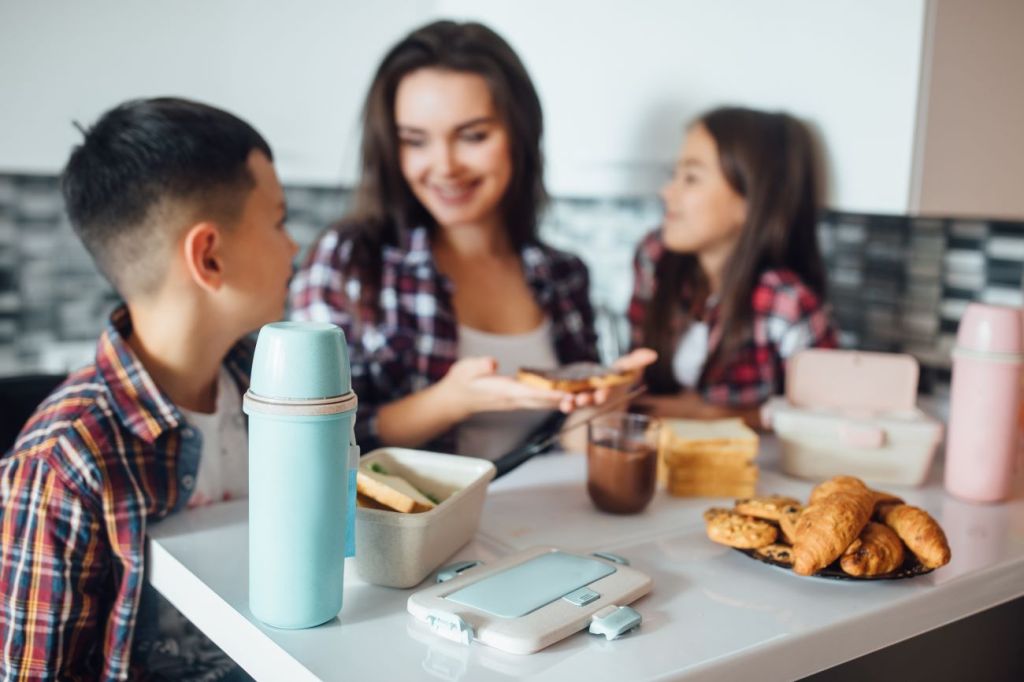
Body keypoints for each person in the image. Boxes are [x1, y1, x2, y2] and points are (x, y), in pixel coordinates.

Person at [0, 97, 297, 679]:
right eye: (280, 220)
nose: (294, 246)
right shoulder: (63, 463)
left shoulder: (267, 382)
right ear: (209, 256)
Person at [291, 20, 651, 459]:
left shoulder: (562, 274)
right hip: (408, 526)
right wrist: (450, 402)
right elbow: (310, 437)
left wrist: (607, 396)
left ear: (520, 135)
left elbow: (569, 442)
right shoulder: (349, 260)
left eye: (473, 136)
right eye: (415, 141)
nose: (444, 166)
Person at [628, 106, 838, 428]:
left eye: (691, 178)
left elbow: (821, 419)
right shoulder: (655, 259)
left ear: (749, 202)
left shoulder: (787, 302)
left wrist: (705, 413)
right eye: (674, 175)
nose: (668, 192)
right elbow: (633, 385)